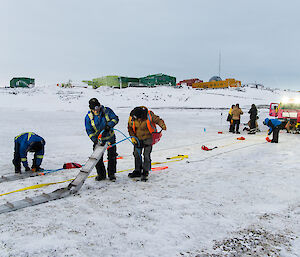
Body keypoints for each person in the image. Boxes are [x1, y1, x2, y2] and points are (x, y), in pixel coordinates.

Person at [127, 106, 166, 181]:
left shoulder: (149, 115)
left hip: (148, 138)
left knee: (146, 154)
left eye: (139, 118)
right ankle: (137, 170)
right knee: (136, 154)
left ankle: (145, 171)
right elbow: (130, 128)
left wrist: (162, 125)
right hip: (137, 138)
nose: (138, 119)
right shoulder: (132, 117)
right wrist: (132, 137)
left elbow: (158, 120)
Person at [85, 98, 119, 181]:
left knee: (112, 156)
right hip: (99, 140)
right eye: (94, 109)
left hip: (110, 138)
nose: (96, 110)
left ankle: (111, 174)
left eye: (97, 108)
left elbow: (115, 118)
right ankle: (101, 174)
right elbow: (89, 130)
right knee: (97, 158)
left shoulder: (107, 111)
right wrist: (94, 139)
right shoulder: (88, 117)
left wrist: (109, 125)